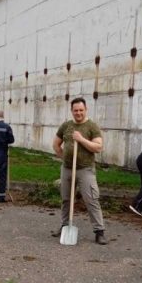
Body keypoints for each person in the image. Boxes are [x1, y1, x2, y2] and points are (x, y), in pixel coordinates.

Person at [52, 97, 107, 245]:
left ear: (86, 110)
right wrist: (63, 157)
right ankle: (64, 226)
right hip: (67, 168)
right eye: (75, 110)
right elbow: (56, 144)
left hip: (85, 169)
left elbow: (98, 147)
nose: (78, 113)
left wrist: (81, 139)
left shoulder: (92, 126)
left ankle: (99, 231)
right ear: (72, 111)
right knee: (65, 199)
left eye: (81, 110)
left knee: (91, 200)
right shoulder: (66, 126)